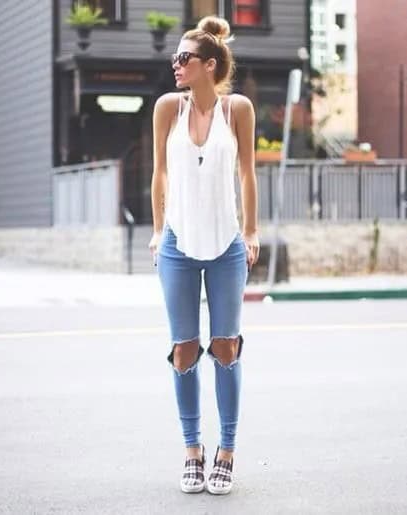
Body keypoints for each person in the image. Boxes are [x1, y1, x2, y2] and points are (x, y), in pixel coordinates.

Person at [148, 15, 259, 495]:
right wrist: (157, 231)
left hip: (226, 245)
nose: (175, 65)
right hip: (177, 244)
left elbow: (248, 174)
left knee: (226, 347)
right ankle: (192, 450)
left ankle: (226, 452)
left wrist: (252, 231)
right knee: (184, 351)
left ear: (209, 66)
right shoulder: (167, 108)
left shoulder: (238, 110)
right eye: (175, 57)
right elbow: (159, 174)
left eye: (184, 58)